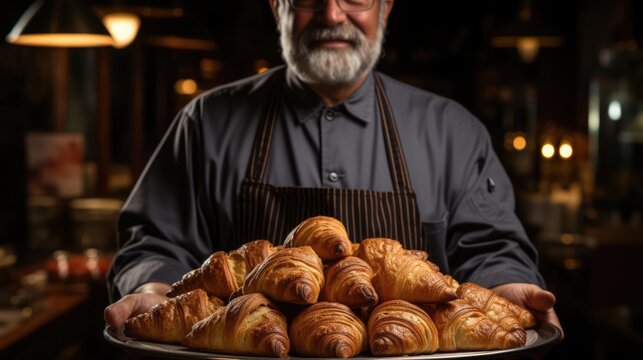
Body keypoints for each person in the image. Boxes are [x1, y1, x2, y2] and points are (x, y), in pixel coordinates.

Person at [104, 0, 563, 338]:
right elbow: (155, 240)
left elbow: (490, 245)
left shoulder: (452, 132)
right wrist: (154, 288)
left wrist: (506, 289)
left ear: (385, 7)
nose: (331, 14)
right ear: (276, 6)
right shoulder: (206, 123)